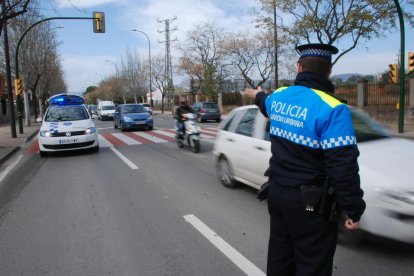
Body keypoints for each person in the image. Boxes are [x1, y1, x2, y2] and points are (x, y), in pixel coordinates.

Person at [244, 43, 366, 276]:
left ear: (299, 68)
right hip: (310, 205)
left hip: (277, 195)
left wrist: (256, 94)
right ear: (328, 71)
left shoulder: (279, 96)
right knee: (312, 265)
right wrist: (353, 209)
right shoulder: (334, 109)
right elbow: (343, 166)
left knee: (280, 259)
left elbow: (264, 102)